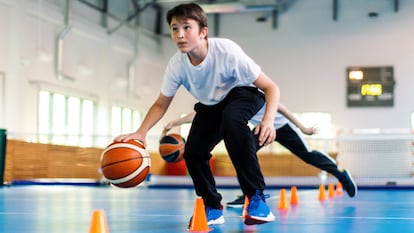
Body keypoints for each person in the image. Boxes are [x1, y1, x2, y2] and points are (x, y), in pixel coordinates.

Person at [115, 3, 280, 226]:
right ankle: (212, 206)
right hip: (211, 104)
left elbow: (271, 87)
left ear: (203, 31)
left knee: (233, 121)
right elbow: (161, 103)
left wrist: (268, 121)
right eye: (174, 29)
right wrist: (140, 133)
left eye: (186, 27)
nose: (180, 34)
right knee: (193, 152)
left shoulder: (226, 51)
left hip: (244, 93)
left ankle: (257, 197)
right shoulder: (177, 65)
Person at [161, 103, 358, 208]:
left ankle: (341, 175)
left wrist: (303, 127)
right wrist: (176, 122)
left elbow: (280, 107)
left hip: (280, 126)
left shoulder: (252, 90)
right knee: (243, 153)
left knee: (307, 155)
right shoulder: (227, 98)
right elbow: (202, 114)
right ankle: (252, 193)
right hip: (261, 129)